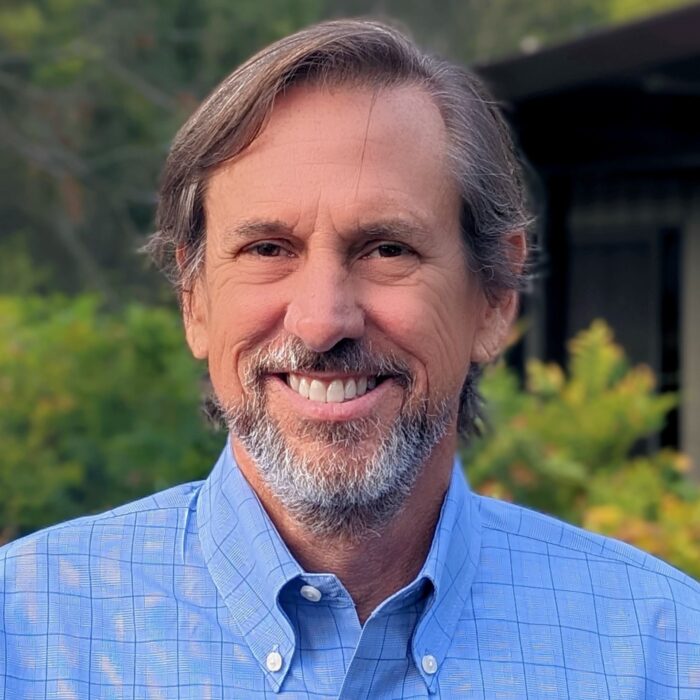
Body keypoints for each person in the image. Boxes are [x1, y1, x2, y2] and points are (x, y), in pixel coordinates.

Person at [1, 18, 699, 700]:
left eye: (386, 249)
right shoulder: (24, 636)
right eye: (267, 249)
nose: (323, 320)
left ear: (493, 297)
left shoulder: (663, 654)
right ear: (195, 303)